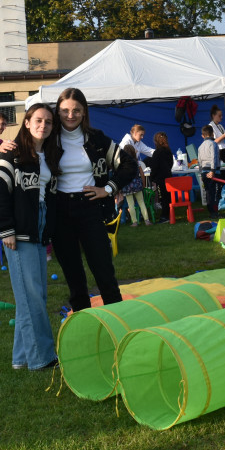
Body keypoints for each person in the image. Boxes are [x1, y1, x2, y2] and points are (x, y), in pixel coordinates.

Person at [0, 103, 61, 371]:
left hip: (39, 232)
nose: (43, 125)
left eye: (49, 122)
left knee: (32, 295)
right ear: (27, 122)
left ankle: (21, 358)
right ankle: (42, 358)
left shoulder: (50, 156)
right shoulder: (12, 154)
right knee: (32, 297)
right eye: (38, 120)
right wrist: (6, 229)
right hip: (18, 233)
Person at [51, 87, 138, 312]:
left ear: (84, 111)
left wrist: (108, 188)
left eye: (76, 110)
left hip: (90, 208)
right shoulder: (49, 138)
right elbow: (22, 148)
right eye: (65, 110)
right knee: (73, 275)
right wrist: (3, 148)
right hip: (60, 211)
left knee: (103, 271)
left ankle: (120, 324)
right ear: (57, 111)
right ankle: (83, 327)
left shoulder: (97, 138)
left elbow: (129, 164)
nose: (71, 115)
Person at [118, 144, 151, 227]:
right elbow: (142, 174)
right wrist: (143, 184)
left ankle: (134, 222)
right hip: (137, 185)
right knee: (141, 202)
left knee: (131, 204)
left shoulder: (123, 164)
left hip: (127, 186)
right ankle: (147, 220)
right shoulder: (137, 162)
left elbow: (121, 175)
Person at [149, 132, 174, 223]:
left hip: (160, 179)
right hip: (168, 177)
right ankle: (169, 214)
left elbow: (154, 167)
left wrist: (152, 178)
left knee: (163, 198)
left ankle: (165, 216)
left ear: (156, 141)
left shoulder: (157, 153)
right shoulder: (168, 151)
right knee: (168, 197)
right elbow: (171, 163)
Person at [197, 125, 220, 219]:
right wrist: (213, 170)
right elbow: (213, 157)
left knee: (208, 192)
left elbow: (199, 161)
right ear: (212, 133)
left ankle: (211, 211)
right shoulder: (213, 144)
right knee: (213, 192)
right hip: (212, 171)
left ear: (202, 136)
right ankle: (214, 211)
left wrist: (201, 173)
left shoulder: (200, 147)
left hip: (204, 171)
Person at [208, 105, 225, 206]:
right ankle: (219, 197)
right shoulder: (211, 126)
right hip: (218, 151)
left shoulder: (220, 126)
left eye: (222, 116)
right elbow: (214, 141)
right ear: (213, 115)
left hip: (224, 150)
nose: (221, 118)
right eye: (219, 116)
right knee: (220, 175)